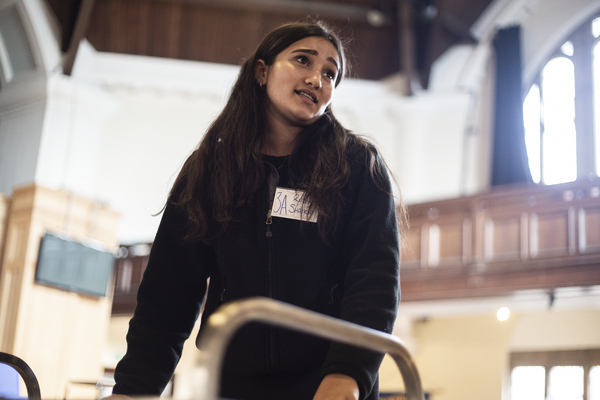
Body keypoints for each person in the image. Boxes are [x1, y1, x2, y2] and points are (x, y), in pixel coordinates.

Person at [109, 20, 403, 400]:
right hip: (233, 383)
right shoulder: (210, 168)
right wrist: (133, 390)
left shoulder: (358, 166)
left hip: (327, 383)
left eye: (330, 73)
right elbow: (168, 296)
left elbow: (375, 284)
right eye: (303, 61)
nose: (317, 78)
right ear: (262, 72)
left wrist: (348, 374)